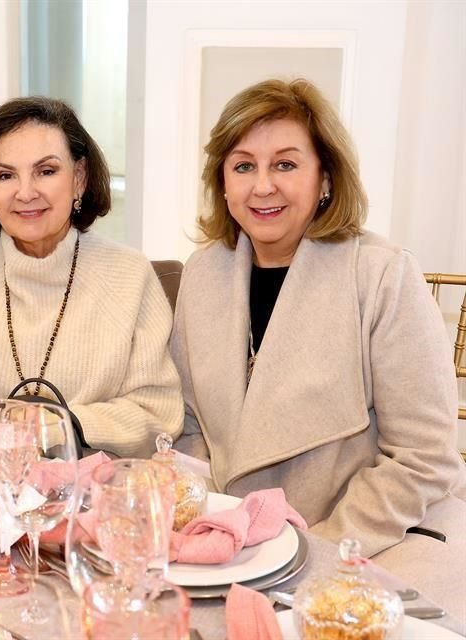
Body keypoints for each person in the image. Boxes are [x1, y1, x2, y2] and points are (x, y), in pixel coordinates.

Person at [171, 78, 466, 616]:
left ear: (325, 177)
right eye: (243, 166)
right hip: (243, 549)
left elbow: (426, 458)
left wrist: (312, 546)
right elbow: (189, 427)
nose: (263, 186)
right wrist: (218, 524)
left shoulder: (381, 274)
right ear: (222, 182)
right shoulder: (203, 272)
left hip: (373, 541)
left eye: (285, 164)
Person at [0, 97, 183, 457]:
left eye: (46, 171)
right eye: (5, 175)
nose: (25, 193)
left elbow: (157, 412)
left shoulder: (130, 276)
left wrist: (57, 428)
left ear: (79, 178)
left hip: (89, 495)